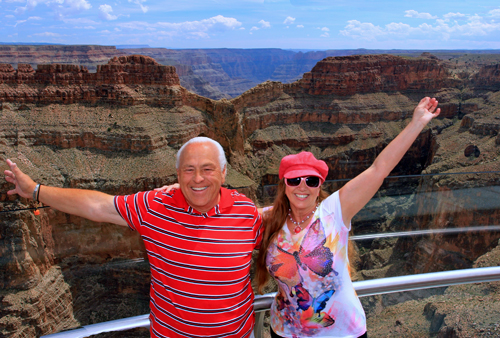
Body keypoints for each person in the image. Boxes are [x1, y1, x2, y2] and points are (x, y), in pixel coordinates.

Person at [4, 136, 263, 338]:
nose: (197, 179)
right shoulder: (154, 207)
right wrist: (35, 190)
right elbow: (96, 206)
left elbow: (287, 229)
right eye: (188, 170)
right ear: (177, 174)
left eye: (208, 169)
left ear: (224, 172)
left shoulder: (247, 212)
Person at [254, 97, 441, 338]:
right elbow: (226, 213)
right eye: (294, 180)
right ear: (284, 185)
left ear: (319, 185)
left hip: (342, 332)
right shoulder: (269, 218)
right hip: (285, 330)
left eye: (311, 180)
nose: (302, 186)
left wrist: (417, 122)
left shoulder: (334, 210)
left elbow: (379, 169)